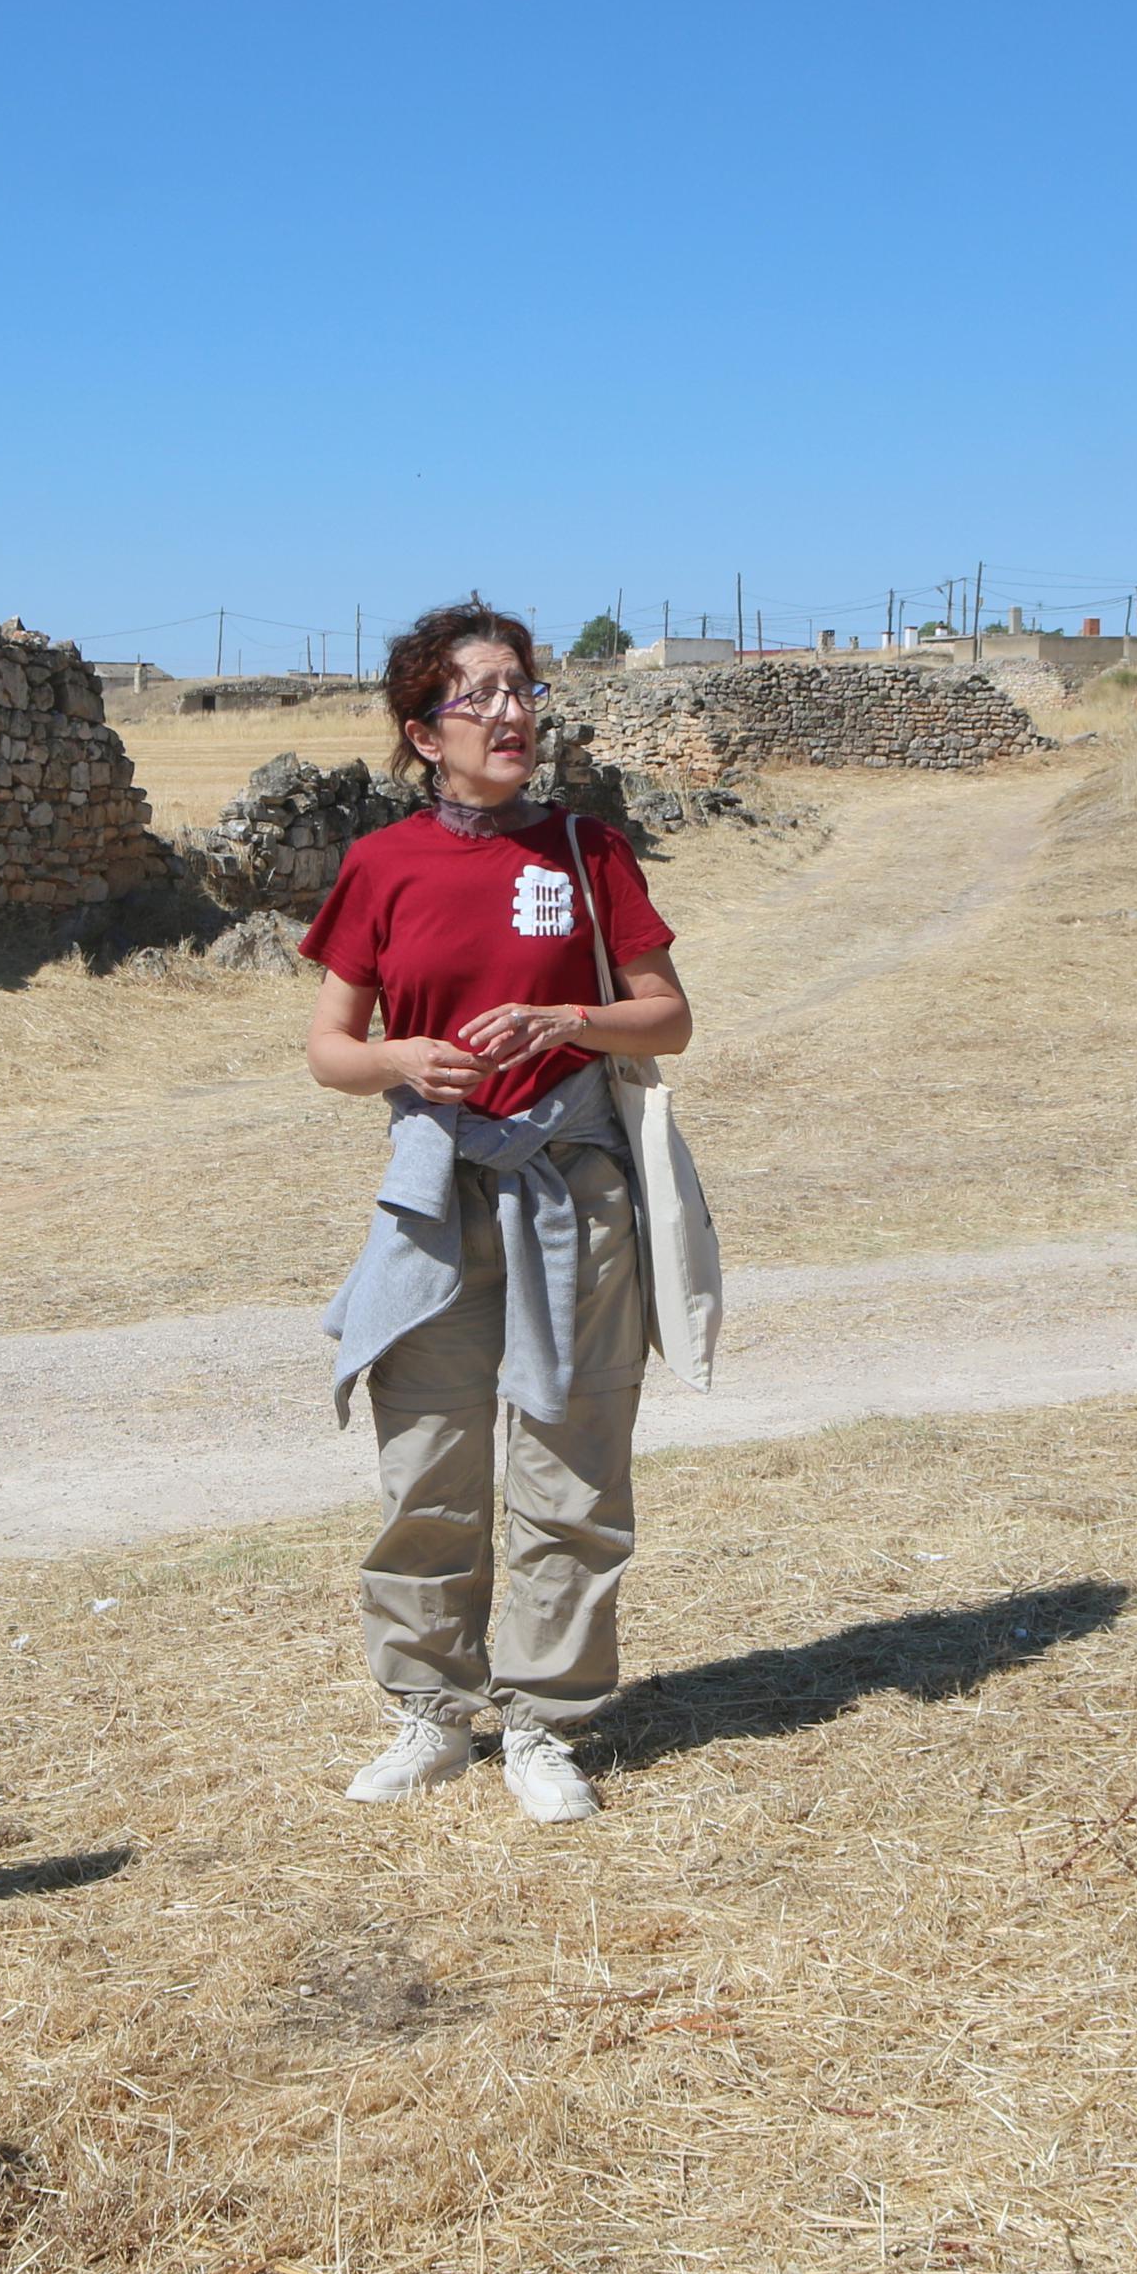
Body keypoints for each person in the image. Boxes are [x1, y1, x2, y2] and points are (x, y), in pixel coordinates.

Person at [298, 602, 693, 1825]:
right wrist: (402, 1059)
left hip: (573, 1191)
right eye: (479, 695)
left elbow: (666, 1017)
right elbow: (328, 1047)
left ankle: (541, 1721)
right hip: (431, 1195)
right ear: (424, 732)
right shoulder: (381, 864)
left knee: (570, 1464)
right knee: (426, 1465)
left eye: (520, 688)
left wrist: (566, 1022)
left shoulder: (589, 851)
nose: (512, 712)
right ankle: (430, 1712)